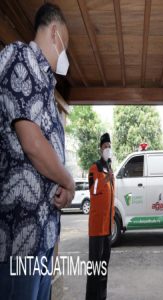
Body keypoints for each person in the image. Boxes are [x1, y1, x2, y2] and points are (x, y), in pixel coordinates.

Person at [0, 3, 75, 300]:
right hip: (20, 235)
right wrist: (69, 181)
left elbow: (48, 153)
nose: (64, 55)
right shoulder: (20, 57)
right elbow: (31, 143)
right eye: (65, 46)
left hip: (42, 233)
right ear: (54, 33)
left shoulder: (45, 84)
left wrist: (63, 188)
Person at [86, 133, 115, 300]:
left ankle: (101, 297)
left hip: (107, 228)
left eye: (109, 146)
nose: (108, 149)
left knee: (103, 267)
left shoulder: (109, 169)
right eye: (105, 147)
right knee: (94, 268)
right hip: (97, 228)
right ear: (100, 148)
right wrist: (105, 181)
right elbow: (93, 190)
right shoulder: (95, 168)